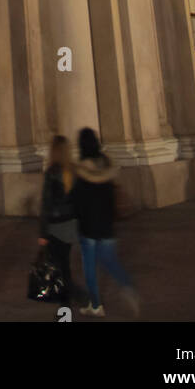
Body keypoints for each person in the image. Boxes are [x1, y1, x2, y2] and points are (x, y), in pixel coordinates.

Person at [71, 127, 138, 317]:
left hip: (88, 227)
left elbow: (76, 202)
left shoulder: (82, 171)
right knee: (110, 261)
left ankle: (96, 304)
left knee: (90, 267)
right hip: (107, 225)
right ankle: (127, 286)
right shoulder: (107, 166)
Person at [38, 135, 79, 297]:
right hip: (70, 225)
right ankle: (72, 296)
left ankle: (66, 308)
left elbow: (46, 204)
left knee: (58, 269)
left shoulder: (52, 172)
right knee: (65, 264)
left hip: (55, 227)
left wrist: (42, 233)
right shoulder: (73, 172)